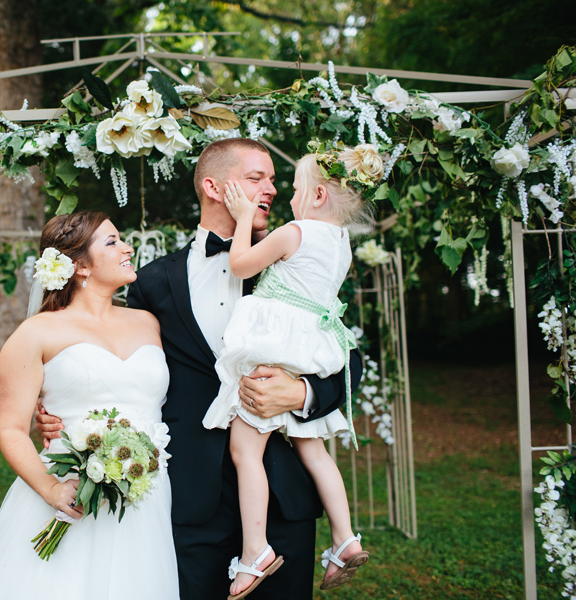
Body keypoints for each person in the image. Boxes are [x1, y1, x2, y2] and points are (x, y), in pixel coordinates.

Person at [39, 138, 363, 600]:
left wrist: (303, 394)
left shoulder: (294, 259)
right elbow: (118, 362)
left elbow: (346, 354)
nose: (271, 188)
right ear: (214, 186)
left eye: (274, 179)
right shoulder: (151, 281)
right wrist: (59, 414)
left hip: (283, 494)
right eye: (257, 178)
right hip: (186, 494)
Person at [0, 211, 179, 600]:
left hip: (145, 494)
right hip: (71, 487)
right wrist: (50, 489)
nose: (127, 247)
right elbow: (9, 427)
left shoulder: (149, 322)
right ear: (79, 265)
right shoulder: (36, 333)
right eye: (112, 242)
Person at [202, 143, 382, 597]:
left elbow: (241, 263)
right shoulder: (340, 242)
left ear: (318, 195)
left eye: (296, 188)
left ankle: (256, 549)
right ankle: (345, 537)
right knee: (315, 451)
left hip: (273, 347)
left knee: (246, 451)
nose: (287, 196)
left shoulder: (295, 230)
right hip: (310, 349)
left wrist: (243, 218)